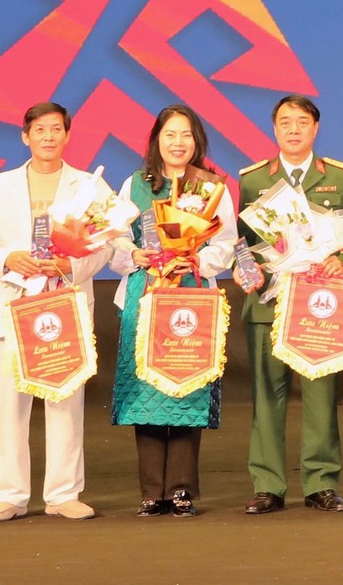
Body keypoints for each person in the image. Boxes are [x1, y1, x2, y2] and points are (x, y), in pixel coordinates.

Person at [0, 101, 115, 522]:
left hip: (64, 305)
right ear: (25, 136)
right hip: (13, 305)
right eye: (40, 129)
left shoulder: (91, 187)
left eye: (56, 129)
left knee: (65, 399)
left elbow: (106, 245)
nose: (48, 136)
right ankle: (9, 495)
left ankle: (64, 493)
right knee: (9, 405)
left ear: (67, 135)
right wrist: (8, 259)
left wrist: (70, 266)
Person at [237, 94, 343, 515]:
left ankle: (321, 483)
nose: (293, 129)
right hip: (268, 304)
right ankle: (267, 486)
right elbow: (241, 243)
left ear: (316, 128)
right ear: (274, 128)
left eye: (302, 122)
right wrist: (249, 268)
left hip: (320, 306)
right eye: (285, 122)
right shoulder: (255, 180)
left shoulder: (339, 178)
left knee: (321, 396)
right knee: (266, 397)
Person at [110, 105, 240, 516]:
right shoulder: (136, 184)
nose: (178, 142)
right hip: (145, 292)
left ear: (196, 141)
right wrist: (133, 253)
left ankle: (181, 489)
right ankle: (152, 490)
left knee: (187, 382)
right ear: (157, 140)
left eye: (186, 135)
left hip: (192, 292)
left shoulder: (212, 187)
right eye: (170, 134)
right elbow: (113, 236)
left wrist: (199, 260)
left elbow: (227, 243)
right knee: (147, 389)